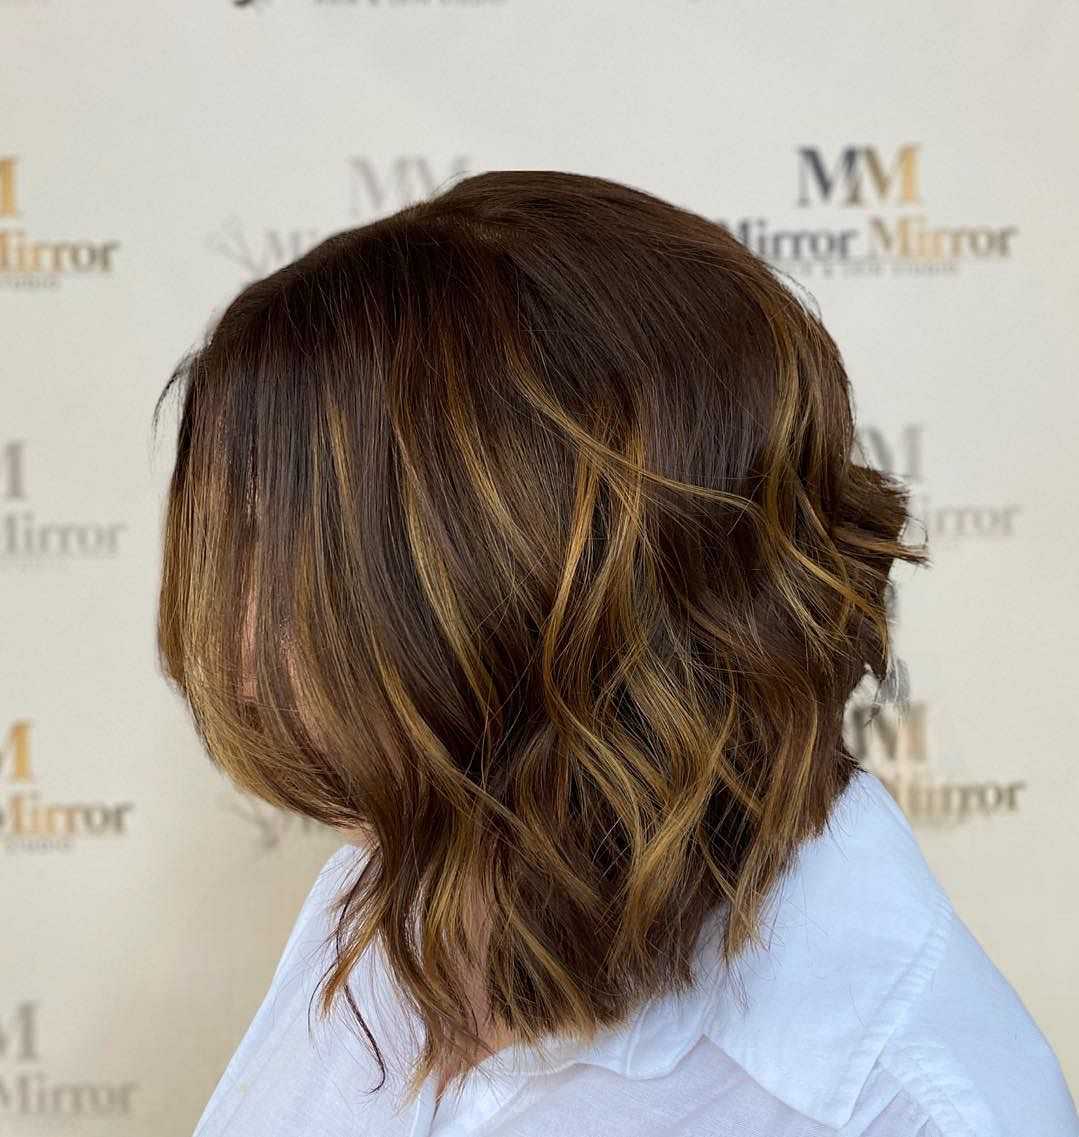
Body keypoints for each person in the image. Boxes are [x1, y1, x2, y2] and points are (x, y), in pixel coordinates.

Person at [154, 170, 1077, 1136]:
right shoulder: (396, 888)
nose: (243, 663)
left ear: (515, 593)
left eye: (291, 568)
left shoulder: (907, 1108)